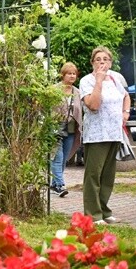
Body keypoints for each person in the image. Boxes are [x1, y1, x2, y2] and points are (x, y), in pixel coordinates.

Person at [79, 46, 130, 224]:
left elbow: (125, 95)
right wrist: (99, 81)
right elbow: (93, 105)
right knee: (94, 174)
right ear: (92, 62)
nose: (102, 62)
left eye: (105, 59)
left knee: (108, 175)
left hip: (114, 132)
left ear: (110, 62)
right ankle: (93, 214)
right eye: (98, 59)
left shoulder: (116, 78)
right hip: (96, 134)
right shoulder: (87, 80)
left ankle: (104, 210)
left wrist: (126, 112)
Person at [51, 62, 82, 197]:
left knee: (64, 158)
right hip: (55, 128)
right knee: (57, 157)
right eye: (69, 73)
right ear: (63, 75)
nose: (72, 76)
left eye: (74, 73)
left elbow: (80, 111)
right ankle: (60, 185)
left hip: (70, 129)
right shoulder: (54, 90)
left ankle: (54, 183)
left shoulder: (77, 92)